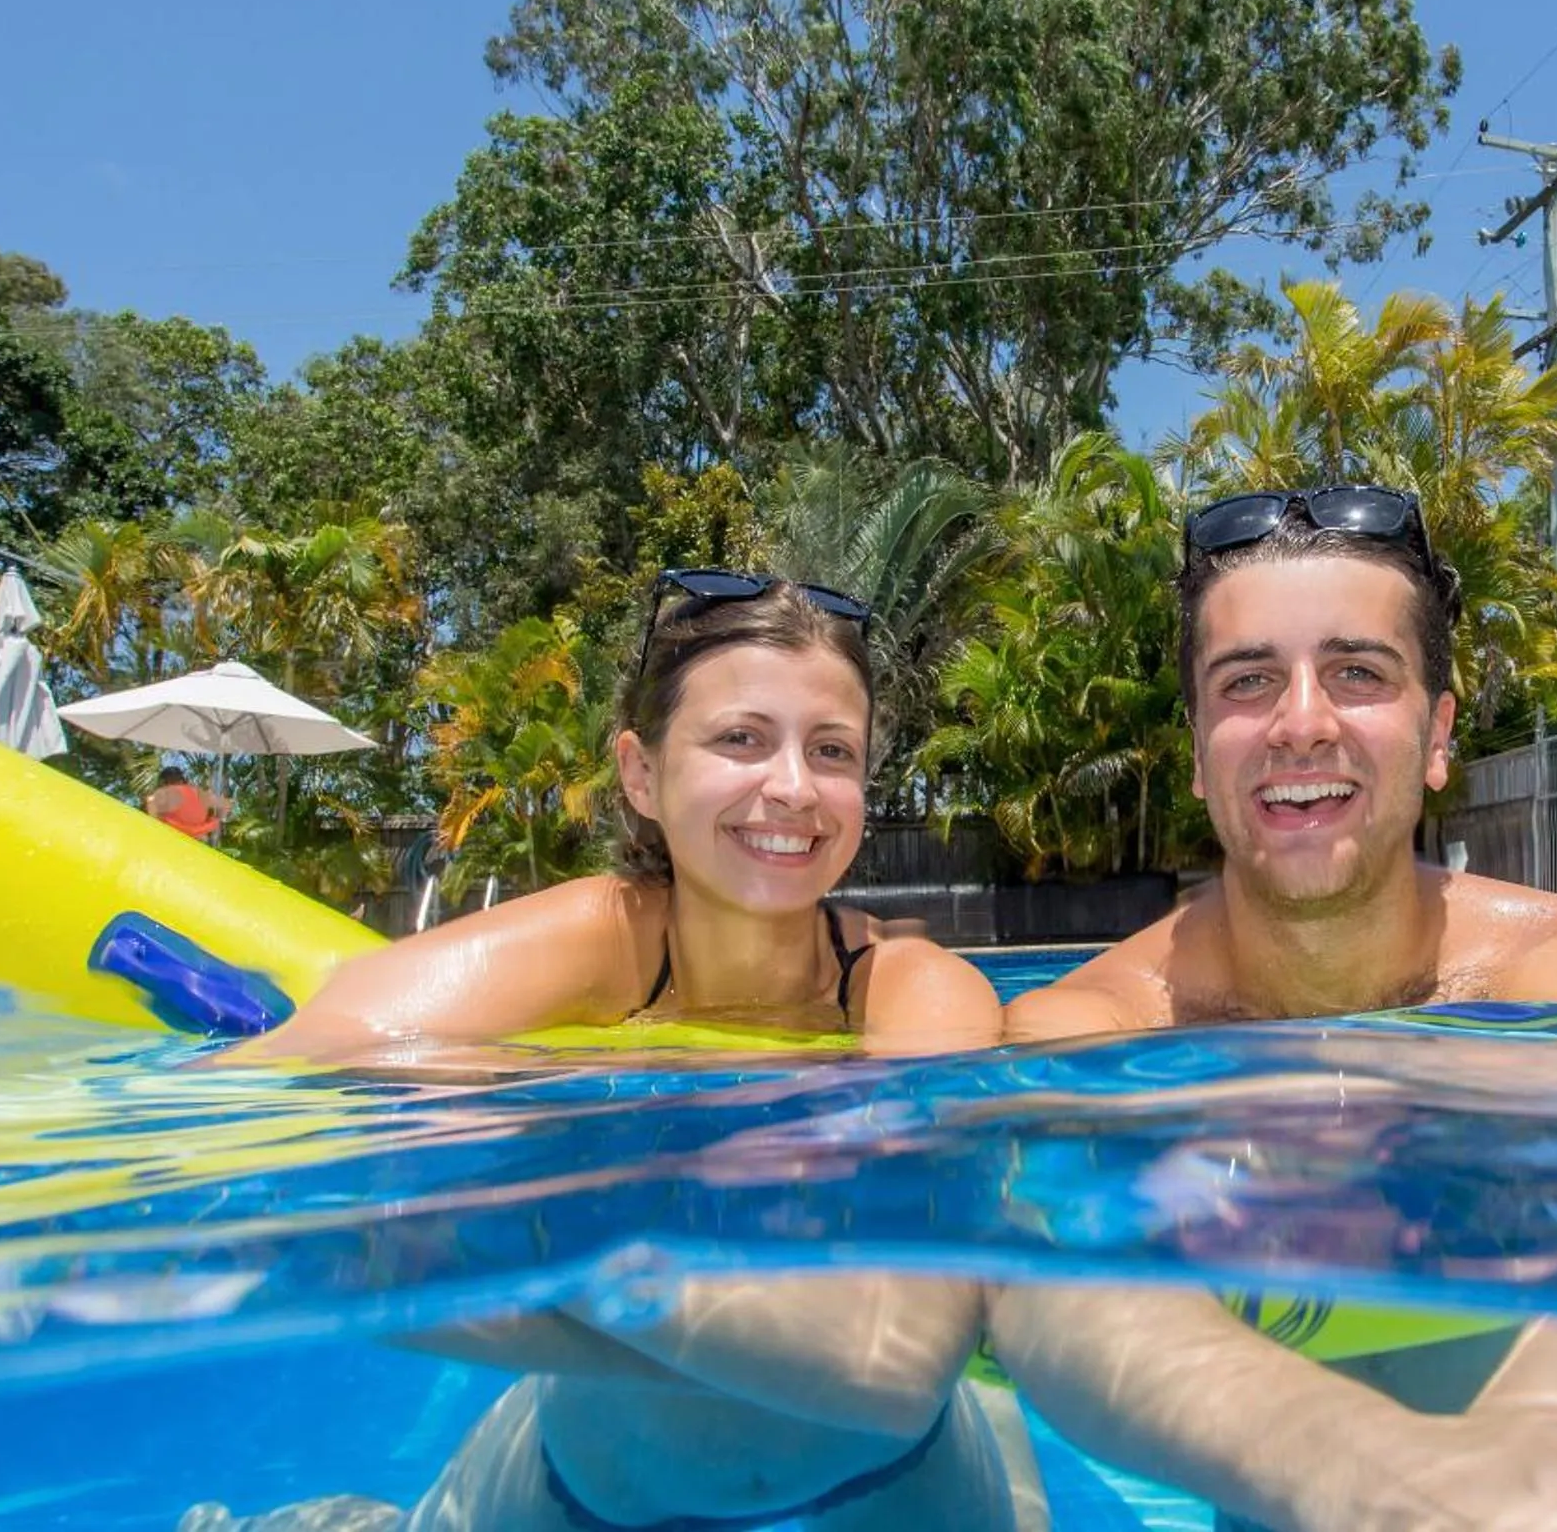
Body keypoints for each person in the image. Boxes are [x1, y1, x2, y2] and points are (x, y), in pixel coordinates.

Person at [990, 486, 1557, 1531]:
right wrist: (1366, 1473)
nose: (1302, 722)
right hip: (1299, 1485)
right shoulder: (1090, 1024)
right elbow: (1038, 1280)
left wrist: (1511, 1464)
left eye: (1357, 672)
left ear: (1439, 732)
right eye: (1247, 681)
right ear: (1193, 750)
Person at [196, 572, 1028, 1532]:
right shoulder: (578, 950)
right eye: (741, 738)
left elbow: (898, 1358)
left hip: (898, 1491)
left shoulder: (915, 989)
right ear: (641, 771)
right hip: (581, 1502)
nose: (793, 786)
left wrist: (537, 1250)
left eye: (831, 749)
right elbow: (269, 1113)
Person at [147, 765, 231, 843]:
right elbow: (226, 804)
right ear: (182, 779)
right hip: (198, 838)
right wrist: (213, 821)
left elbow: (150, 801)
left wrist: (156, 821)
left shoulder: (166, 792)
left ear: (164, 782)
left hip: (173, 834)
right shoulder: (200, 793)